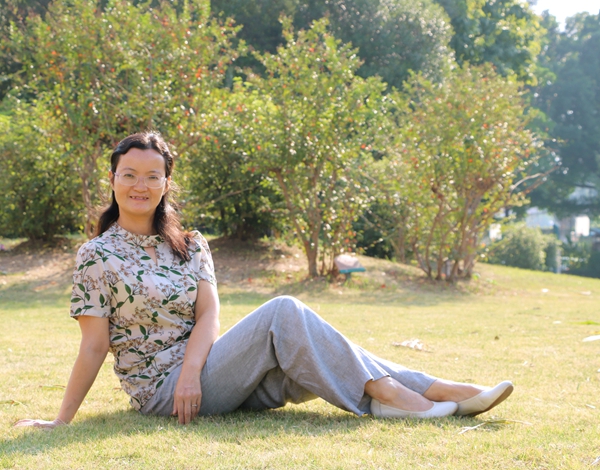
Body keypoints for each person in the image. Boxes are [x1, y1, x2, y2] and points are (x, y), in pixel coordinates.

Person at [14, 132, 513, 429]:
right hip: (163, 394)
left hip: (208, 374)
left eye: (152, 176)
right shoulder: (97, 256)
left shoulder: (191, 243)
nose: (139, 185)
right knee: (284, 312)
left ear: (166, 183)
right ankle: (408, 396)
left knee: (309, 354)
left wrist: (193, 371)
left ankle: (429, 392)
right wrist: (61, 421)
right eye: (129, 174)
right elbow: (94, 346)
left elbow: (209, 316)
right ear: (113, 180)